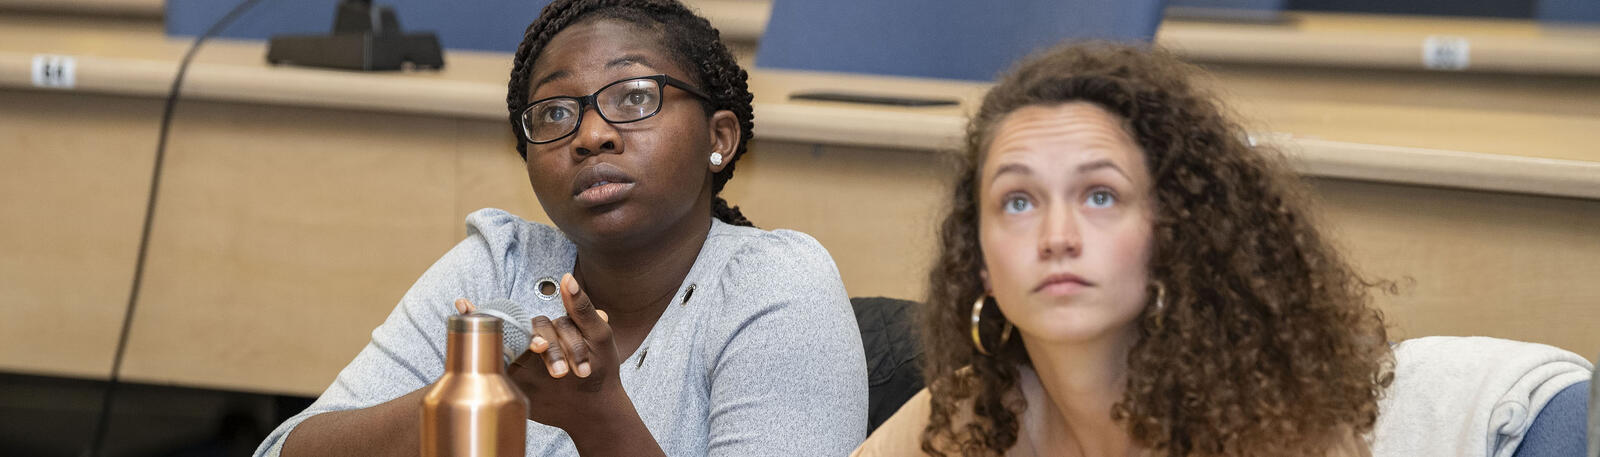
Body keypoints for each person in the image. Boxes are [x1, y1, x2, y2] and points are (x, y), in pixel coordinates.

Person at [256, 1, 867, 455]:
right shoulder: (499, 266)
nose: (591, 134)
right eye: (554, 112)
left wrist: (598, 417)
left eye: (633, 97)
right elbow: (284, 451)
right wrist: (469, 396)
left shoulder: (775, 285)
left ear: (719, 138)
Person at [854, 43, 1392, 457]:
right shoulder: (972, 414)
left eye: (1100, 195)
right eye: (1018, 202)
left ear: (1169, 234)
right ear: (980, 264)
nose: (1057, 236)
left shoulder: (1273, 429)